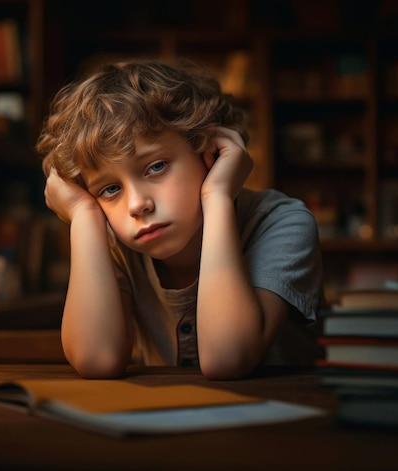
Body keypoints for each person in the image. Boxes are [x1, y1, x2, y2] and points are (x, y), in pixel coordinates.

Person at [36, 59, 324, 380]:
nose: (137, 204)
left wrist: (217, 197)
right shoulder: (114, 244)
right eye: (110, 189)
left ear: (209, 150)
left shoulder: (282, 222)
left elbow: (227, 358)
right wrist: (83, 215)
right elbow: (97, 359)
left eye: (156, 167)